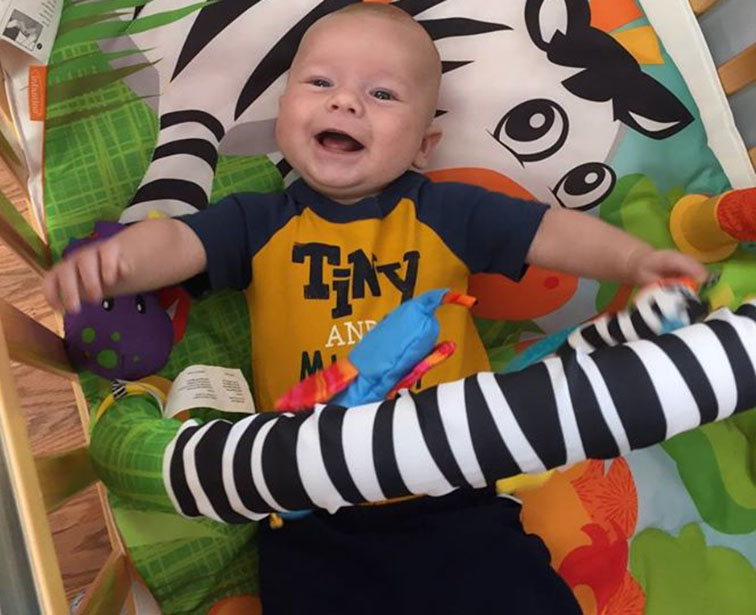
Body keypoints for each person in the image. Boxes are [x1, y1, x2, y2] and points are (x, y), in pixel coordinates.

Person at [44, 4, 707, 614]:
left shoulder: (446, 210)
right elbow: (180, 239)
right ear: (283, 116)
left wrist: (633, 261)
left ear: (423, 145)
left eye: (382, 94)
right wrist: (121, 259)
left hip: (453, 497)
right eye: (319, 83)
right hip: (307, 502)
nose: (346, 101)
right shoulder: (258, 220)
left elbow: (549, 232)